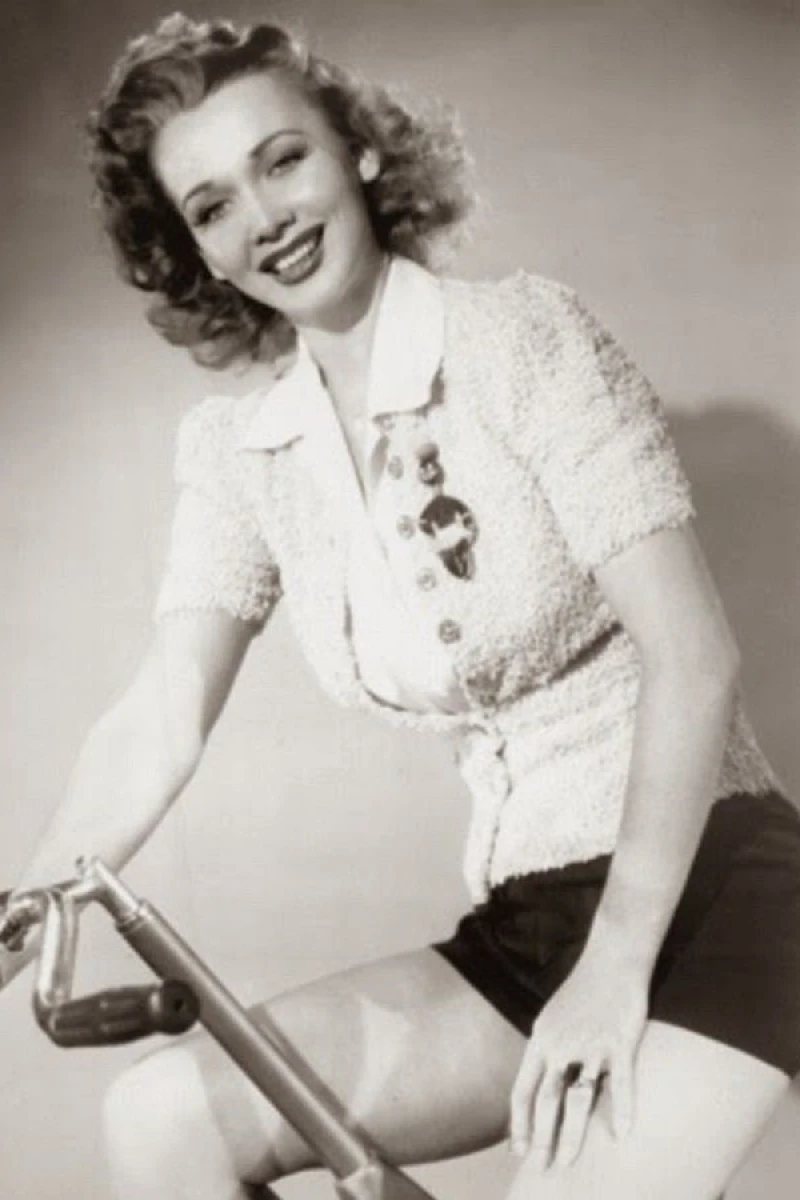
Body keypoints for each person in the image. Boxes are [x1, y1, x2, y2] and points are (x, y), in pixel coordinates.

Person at [2, 12, 799, 1199]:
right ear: (195, 251)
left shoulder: (523, 339)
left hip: (717, 899)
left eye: (283, 160)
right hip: (523, 926)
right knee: (161, 1119)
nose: (265, 218)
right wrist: (23, 908)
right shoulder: (242, 454)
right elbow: (162, 711)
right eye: (212, 206)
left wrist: (613, 967)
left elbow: (693, 660)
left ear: (360, 152)